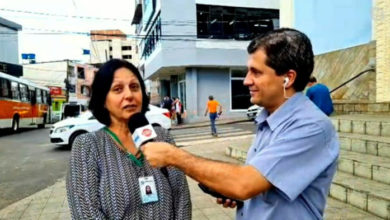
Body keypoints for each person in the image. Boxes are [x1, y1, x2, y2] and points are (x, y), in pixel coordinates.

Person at [142, 28, 339, 220]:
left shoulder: (311, 127)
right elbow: (257, 182)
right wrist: (238, 193)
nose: (246, 81)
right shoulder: (268, 119)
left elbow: (244, 183)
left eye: (256, 72)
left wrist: (173, 155)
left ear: (288, 78)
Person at [66, 59, 191, 220]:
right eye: (118, 89)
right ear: (103, 99)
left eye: (134, 87)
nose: (129, 95)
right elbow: (86, 213)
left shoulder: (162, 136)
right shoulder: (87, 146)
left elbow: (182, 198)